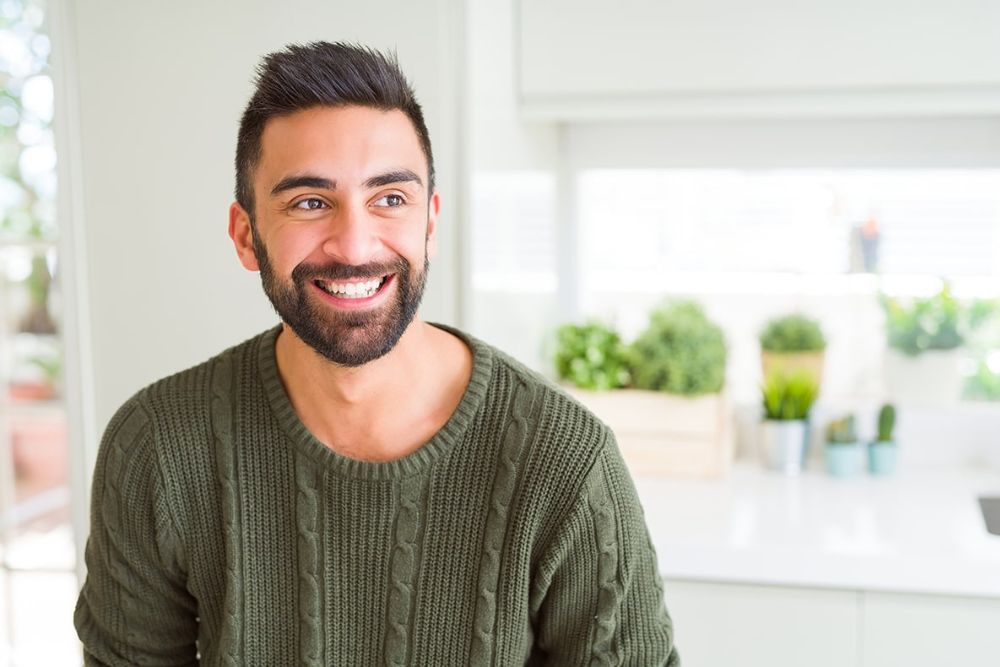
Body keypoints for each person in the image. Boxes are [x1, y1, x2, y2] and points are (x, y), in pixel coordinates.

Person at [74, 41, 680, 665]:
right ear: (246, 235)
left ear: (430, 224)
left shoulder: (566, 462)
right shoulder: (156, 447)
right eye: (310, 202)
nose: (355, 245)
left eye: (390, 198)